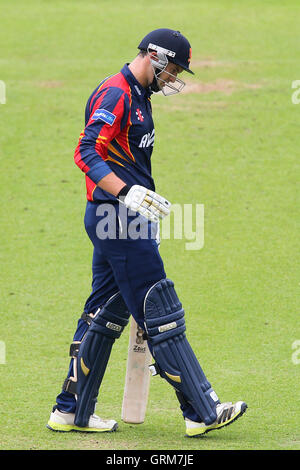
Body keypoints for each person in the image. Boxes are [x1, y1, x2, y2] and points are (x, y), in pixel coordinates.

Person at [47, 28, 247, 437]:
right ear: (154, 56)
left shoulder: (140, 97)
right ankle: (201, 411)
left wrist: (140, 203)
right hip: (117, 218)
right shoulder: (116, 93)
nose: (174, 77)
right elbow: (86, 151)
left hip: (122, 218)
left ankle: (71, 410)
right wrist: (128, 193)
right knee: (160, 309)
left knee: (103, 312)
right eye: (173, 68)